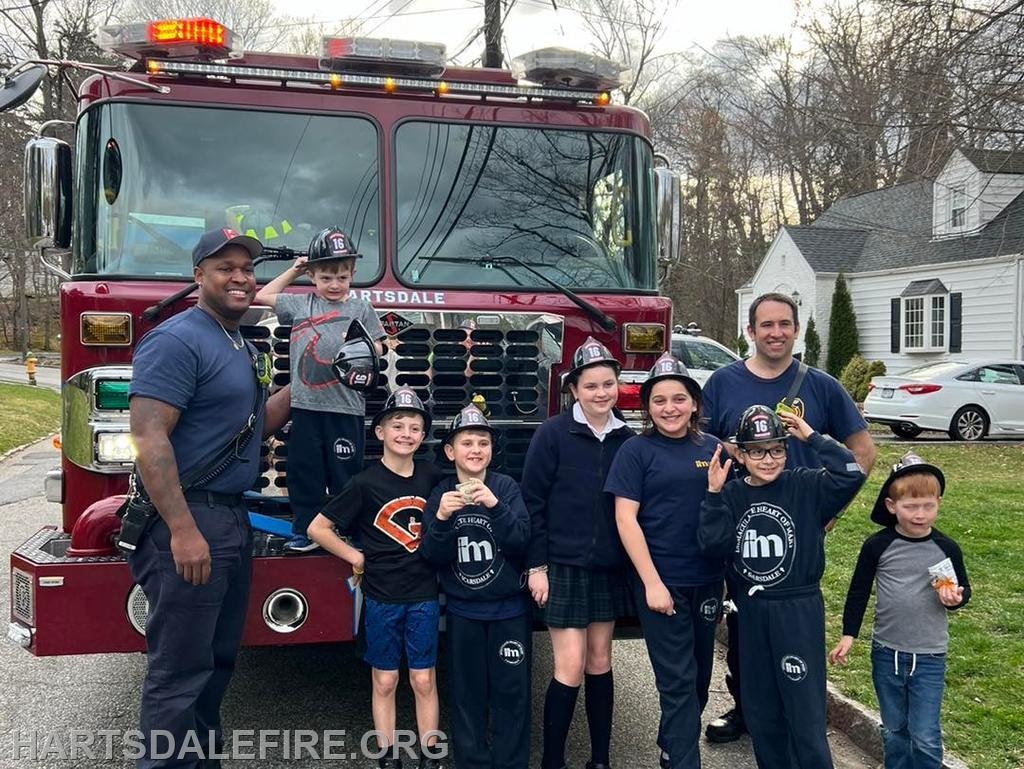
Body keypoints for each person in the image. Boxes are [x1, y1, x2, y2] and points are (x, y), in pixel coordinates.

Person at [128, 227, 292, 769]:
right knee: (179, 672)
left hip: (229, 517)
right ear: (199, 276)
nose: (241, 277)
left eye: (247, 268)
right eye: (225, 267)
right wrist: (181, 529)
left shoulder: (239, 344)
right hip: (190, 519)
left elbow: (255, 426)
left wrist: (313, 377)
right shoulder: (177, 339)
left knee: (218, 663)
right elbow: (149, 437)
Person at [699, 291, 877, 744]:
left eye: (784, 324)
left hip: (799, 521)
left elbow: (863, 453)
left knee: (795, 622)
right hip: (743, 520)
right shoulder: (722, 383)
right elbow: (700, 446)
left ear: (796, 330)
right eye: (766, 325)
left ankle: (799, 712)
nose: (775, 333)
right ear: (750, 332)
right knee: (744, 618)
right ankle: (747, 707)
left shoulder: (820, 385)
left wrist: (830, 511)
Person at [698, 405, 865, 769]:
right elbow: (712, 545)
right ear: (741, 455)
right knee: (762, 710)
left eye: (777, 449)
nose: (768, 459)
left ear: (787, 450)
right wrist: (712, 495)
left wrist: (813, 437)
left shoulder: (806, 485)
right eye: (757, 451)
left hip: (798, 610)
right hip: (753, 612)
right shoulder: (731, 495)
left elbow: (853, 472)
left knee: (804, 711)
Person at [307, 387, 444, 769]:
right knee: (384, 681)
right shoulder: (364, 484)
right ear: (380, 432)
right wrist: (356, 556)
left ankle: (429, 753)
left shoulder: (433, 476)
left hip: (424, 595)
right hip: (382, 597)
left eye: (415, 427)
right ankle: (386, 754)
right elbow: (318, 528)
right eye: (396, 425)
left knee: (423, 679)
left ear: (422, 436)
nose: (406, 433)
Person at [606, 353, 725, 769]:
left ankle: (669, 742)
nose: (670, 408)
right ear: (646, 408)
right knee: (676, 682)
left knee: (699, 685)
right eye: (659, 400)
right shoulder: (635, 451)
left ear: (694, 403)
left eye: (679, 398)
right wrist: (652, 583)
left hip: (707, 581)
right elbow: (626, 518)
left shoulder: (714, 450)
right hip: (661, 582)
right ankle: (681, 760)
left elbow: (727, 512)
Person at [521, 337, 634, 769]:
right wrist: (537, 566)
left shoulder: (628, 438)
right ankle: (553, 761)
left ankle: (600, 759)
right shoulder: (552, 433)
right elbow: (533, 501)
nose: (601, 394)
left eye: (608, 384)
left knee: (600, 661)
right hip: (562, 566)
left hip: (606, 567)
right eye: (591, 386)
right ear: (573, 389)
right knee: (568, 666)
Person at [830, 452, 970, 769]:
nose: (920, 514)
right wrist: (849, 635)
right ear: (892, 506)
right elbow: (858, 590)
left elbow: (963, 590)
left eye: (928, 506)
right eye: (910, 506)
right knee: (895, 730)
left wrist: (955, 599)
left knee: (925, 734)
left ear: (939, 503)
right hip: (887, 652)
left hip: (930, 655)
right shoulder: (878, 546)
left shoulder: (946, 548)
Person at [254, 226, 385, 553]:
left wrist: (362, 347)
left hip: (346, 408)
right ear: (312, 276)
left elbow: (383, 345)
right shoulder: (301, 305)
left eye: (342, 277)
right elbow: (261, 295)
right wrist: (294, 269)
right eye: (326, 277)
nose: (335, 285)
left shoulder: (361, 308)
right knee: (304, 473)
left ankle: (344, 531)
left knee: (346, 476)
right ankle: (306, 531)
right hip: (306, 407)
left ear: (352, 274)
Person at [419, 404, 532, 769]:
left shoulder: (506, 487)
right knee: (468, 694)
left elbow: (520, 542)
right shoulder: (441, 494)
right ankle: (472, 762)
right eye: (466, 442)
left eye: (483, 443)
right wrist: (440, 517)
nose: (476, 450)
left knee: (511, 693)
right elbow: (432, 555)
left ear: (491, 450)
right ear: (451, 451)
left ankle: (511, 762)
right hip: (463, 611)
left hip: (509, 611)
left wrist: (496, 506)